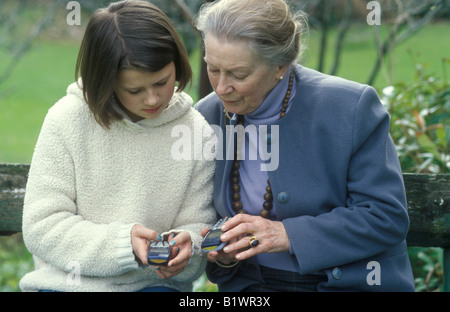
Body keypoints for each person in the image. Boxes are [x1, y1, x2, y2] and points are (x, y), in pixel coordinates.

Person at [195, 0, 415, 292]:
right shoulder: (206, 117)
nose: (221, 88)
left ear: (280, 66)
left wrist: (287, 235)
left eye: (239, 74)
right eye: (213, 69)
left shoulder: (350, 108)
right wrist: (220, 253)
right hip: (250, 287)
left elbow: (385, 216)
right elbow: (199, 217)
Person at [20, 0, 216, 292]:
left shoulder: (195, 131)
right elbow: (42, 227)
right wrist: (123, 245)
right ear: (106, 81)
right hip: (67, 285)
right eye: (134, 90)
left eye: (161, 82)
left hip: (154, 288)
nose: (152, 99)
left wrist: (187, 248)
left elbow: (197, 226)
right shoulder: (67, 120)